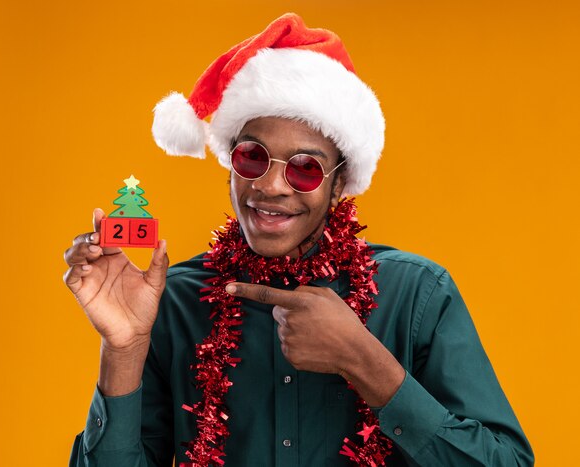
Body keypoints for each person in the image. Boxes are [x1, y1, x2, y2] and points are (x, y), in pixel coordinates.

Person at [64, 13, 533, 467]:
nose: (270, 187)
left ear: (339, 181)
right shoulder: (174, 301)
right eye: (252, 157)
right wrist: (122, 351)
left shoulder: (416, 296)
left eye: (304, 168)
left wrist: (365, 362)